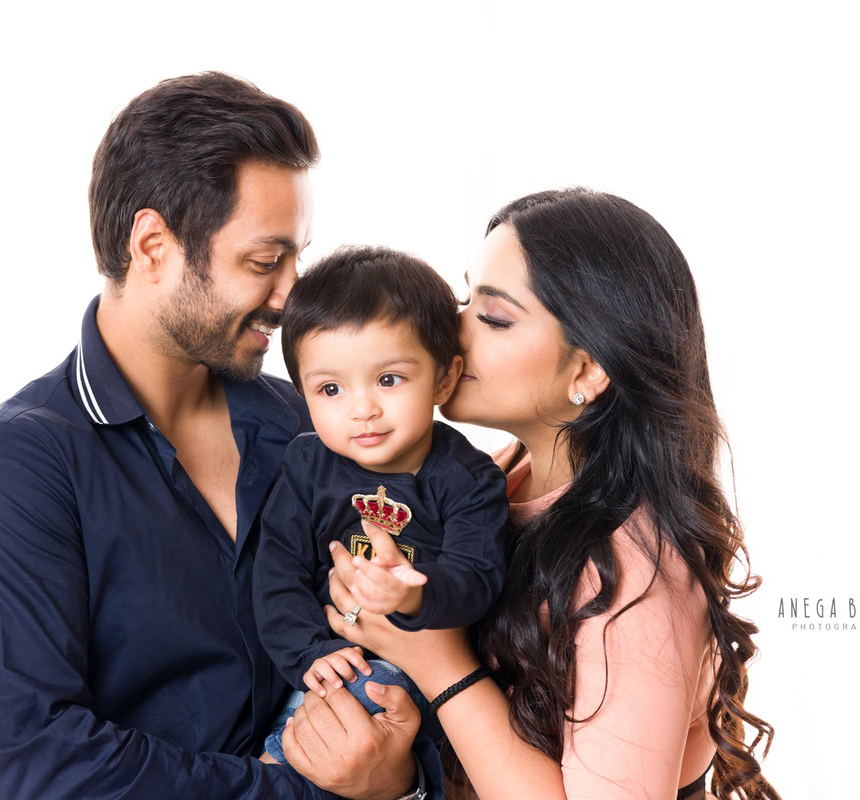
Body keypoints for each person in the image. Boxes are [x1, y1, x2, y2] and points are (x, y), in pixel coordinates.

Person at [0, 72, 440, 800]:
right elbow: (39, 770)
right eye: (264, 263)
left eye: (299, 259)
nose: (293, 296)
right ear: (153, 245)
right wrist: (309, 792)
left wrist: (407, 776)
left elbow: (402, 653)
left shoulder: (306, 424)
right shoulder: (5, 473)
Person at [321, 188, 780, 799]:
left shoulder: (637, 576)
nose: (451, 329)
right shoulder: (498, 477)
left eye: (493, 317)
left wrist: (439, 664)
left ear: (587, 370)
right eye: (465, 299)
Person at [252, 246, 511, 767]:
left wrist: (413, 595)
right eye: (330, 389)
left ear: (443, 379)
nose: (363, 409)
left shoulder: (470, 479)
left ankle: (277, 767)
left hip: (415, 678)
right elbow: (278, 571)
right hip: (321, 660)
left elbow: (479, 576)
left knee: (350, 707)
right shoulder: (306, 465)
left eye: (388, 380)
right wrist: (309, 651)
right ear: (303, 393)